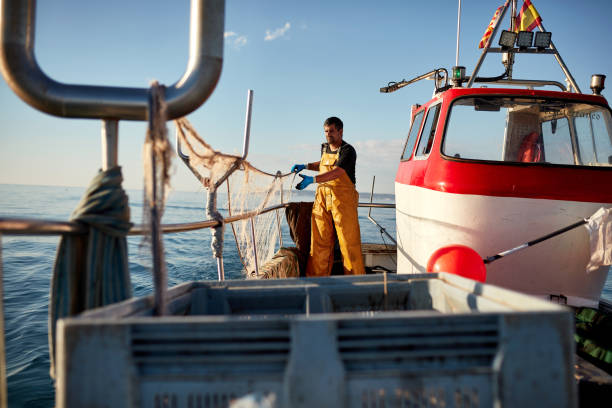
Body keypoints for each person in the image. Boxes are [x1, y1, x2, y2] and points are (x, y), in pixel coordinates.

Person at [290, 116, 365, 276]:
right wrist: (306, 166)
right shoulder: (325, 147)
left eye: (331, 131)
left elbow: (337, 171)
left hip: (343, 201)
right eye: (325, 131)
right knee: (319, 243)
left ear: (340, 131)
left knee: (348, 243)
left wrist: (313, 180)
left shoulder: (348, 150)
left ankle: (357, 283)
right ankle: (316, 280)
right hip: (322, 200)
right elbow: (323, 164)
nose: (328, 134)